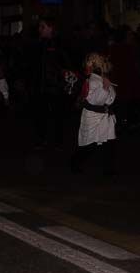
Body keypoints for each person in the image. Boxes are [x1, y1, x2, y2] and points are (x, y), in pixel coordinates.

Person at [26, 18, 75, 149]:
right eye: (39, 27)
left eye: (43, 26)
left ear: (51, 28)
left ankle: (57, 140)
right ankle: (42, 139)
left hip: (55, 86)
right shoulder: (37, 44)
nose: (39, 29)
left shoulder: (60, 44)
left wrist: (64, 81)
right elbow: (31, 66)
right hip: (40, 86)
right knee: (40, 114)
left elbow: (67, 64)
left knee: (58, 114)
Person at [72, 52, 117, 174]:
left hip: (103, 117)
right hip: (93, 117)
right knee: (89, 145)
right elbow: (95, 101)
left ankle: (108, 169)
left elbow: (110, 98)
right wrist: (105, 88)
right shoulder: (93, 80)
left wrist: (106, 88)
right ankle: (75, 164)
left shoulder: (101, 78)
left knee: (107, 143)